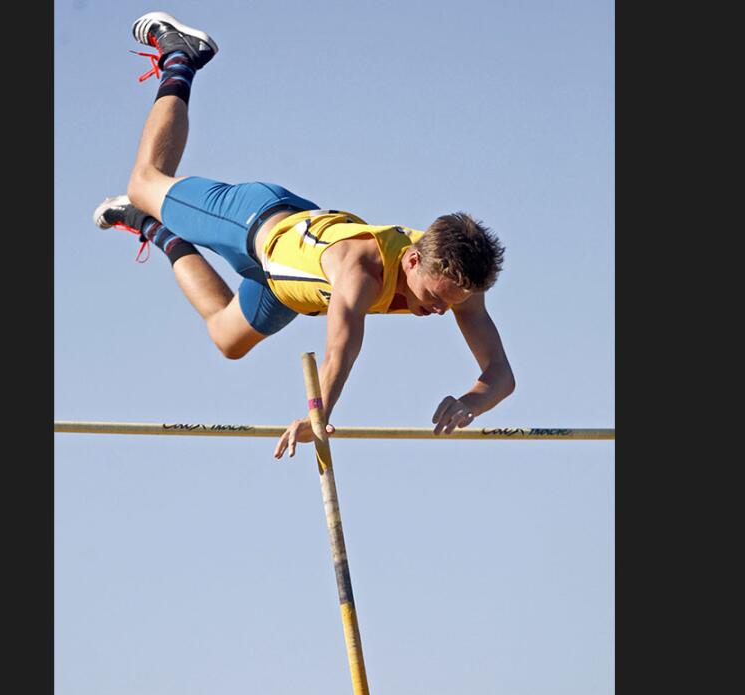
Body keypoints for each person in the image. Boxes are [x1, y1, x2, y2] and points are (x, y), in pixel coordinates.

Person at [94, 11, 515, 460]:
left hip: (288, 286)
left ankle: (151, 228)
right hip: (254, 223)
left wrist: (472, 401)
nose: (438, 310)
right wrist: (320, 415)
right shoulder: (360, 268)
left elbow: (501, 376)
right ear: (412, 261)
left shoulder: (458, 282)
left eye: (449, 302)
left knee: (227, 338)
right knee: (145, 182)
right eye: (435, 297)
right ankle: (181, 56)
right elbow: (342, 345)